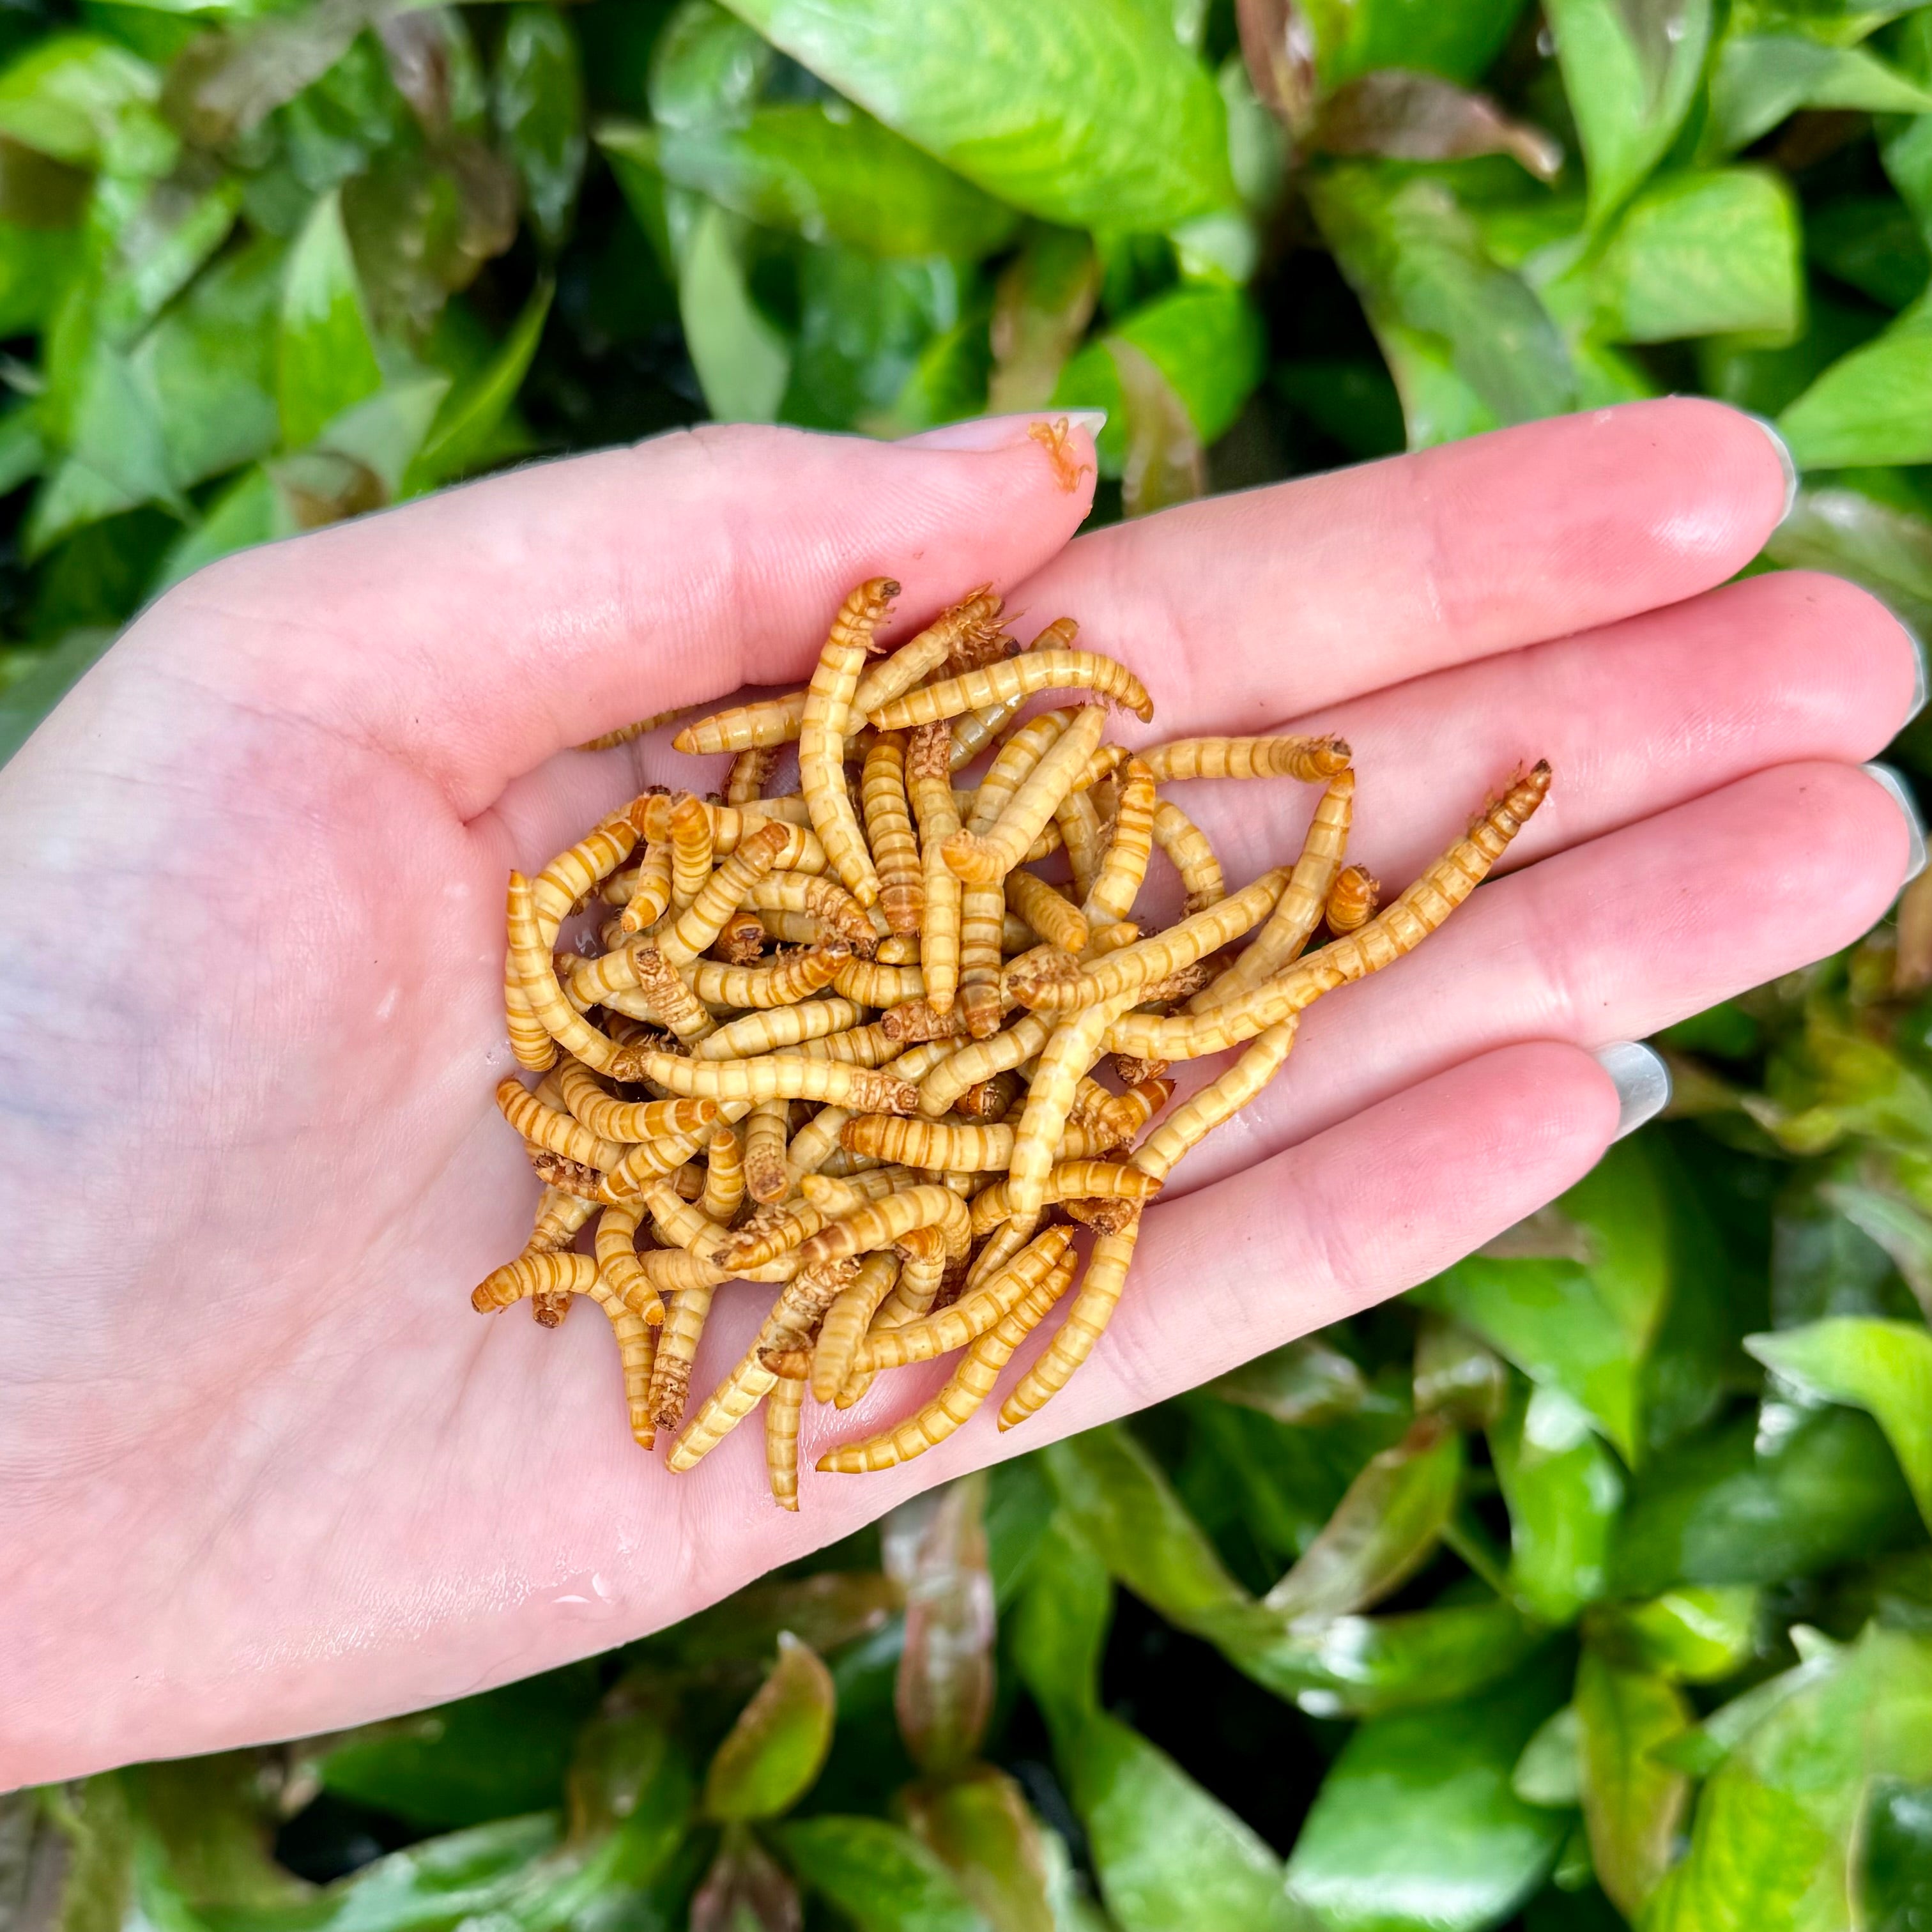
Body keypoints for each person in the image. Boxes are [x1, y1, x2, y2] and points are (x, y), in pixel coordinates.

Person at [0, 400, 1919, 1786]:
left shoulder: (962, 969)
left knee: (1243, 967)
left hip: (983, 1054)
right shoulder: (706, 1027)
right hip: (892, 1070)